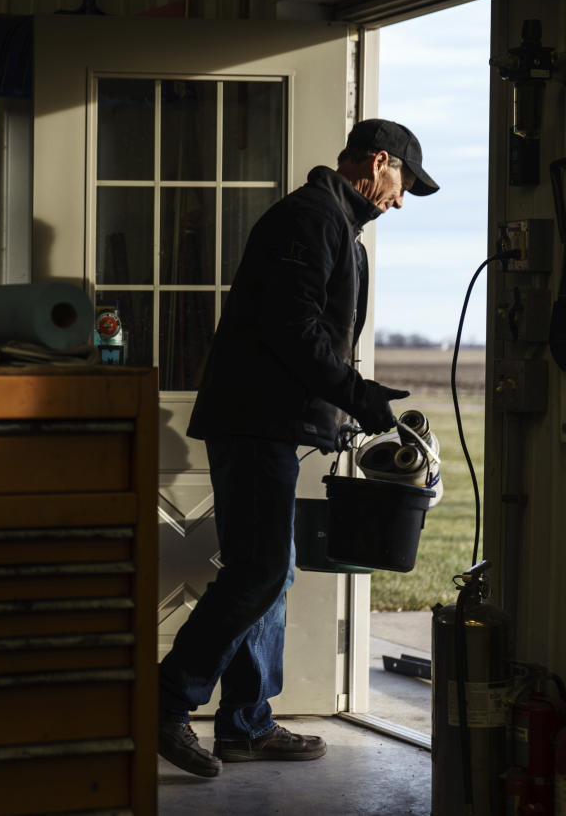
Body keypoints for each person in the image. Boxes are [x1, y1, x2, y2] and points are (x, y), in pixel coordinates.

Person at [156, 119, 440, 777]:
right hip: (254, 422)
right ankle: (167, 702)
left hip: (270, 421)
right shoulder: (308, 220)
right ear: (379, 162)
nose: (399, 201)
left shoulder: (330, 225)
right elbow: (295, 327)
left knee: (272, 570)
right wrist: (355, 391)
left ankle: (247, 724)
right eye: (403, 185)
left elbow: (302, 333)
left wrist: (338, 407)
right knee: (257, 571)